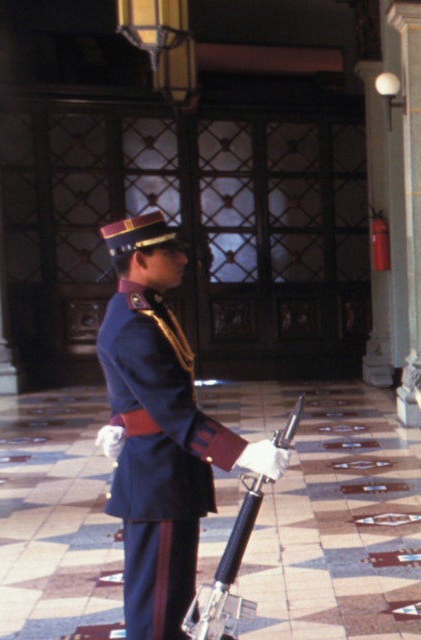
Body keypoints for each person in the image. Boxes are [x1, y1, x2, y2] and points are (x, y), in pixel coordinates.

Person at [93, 210, 295, 639]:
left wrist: (119, 419)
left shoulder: (143, 309)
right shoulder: (133, 322)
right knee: (159, 609)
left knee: (171, 597)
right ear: (140, 259)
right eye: (170, 251)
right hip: (157, 477)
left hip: (163, 472)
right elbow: (172, 411)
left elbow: (142, 386)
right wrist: (244, 454)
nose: (183, 259)